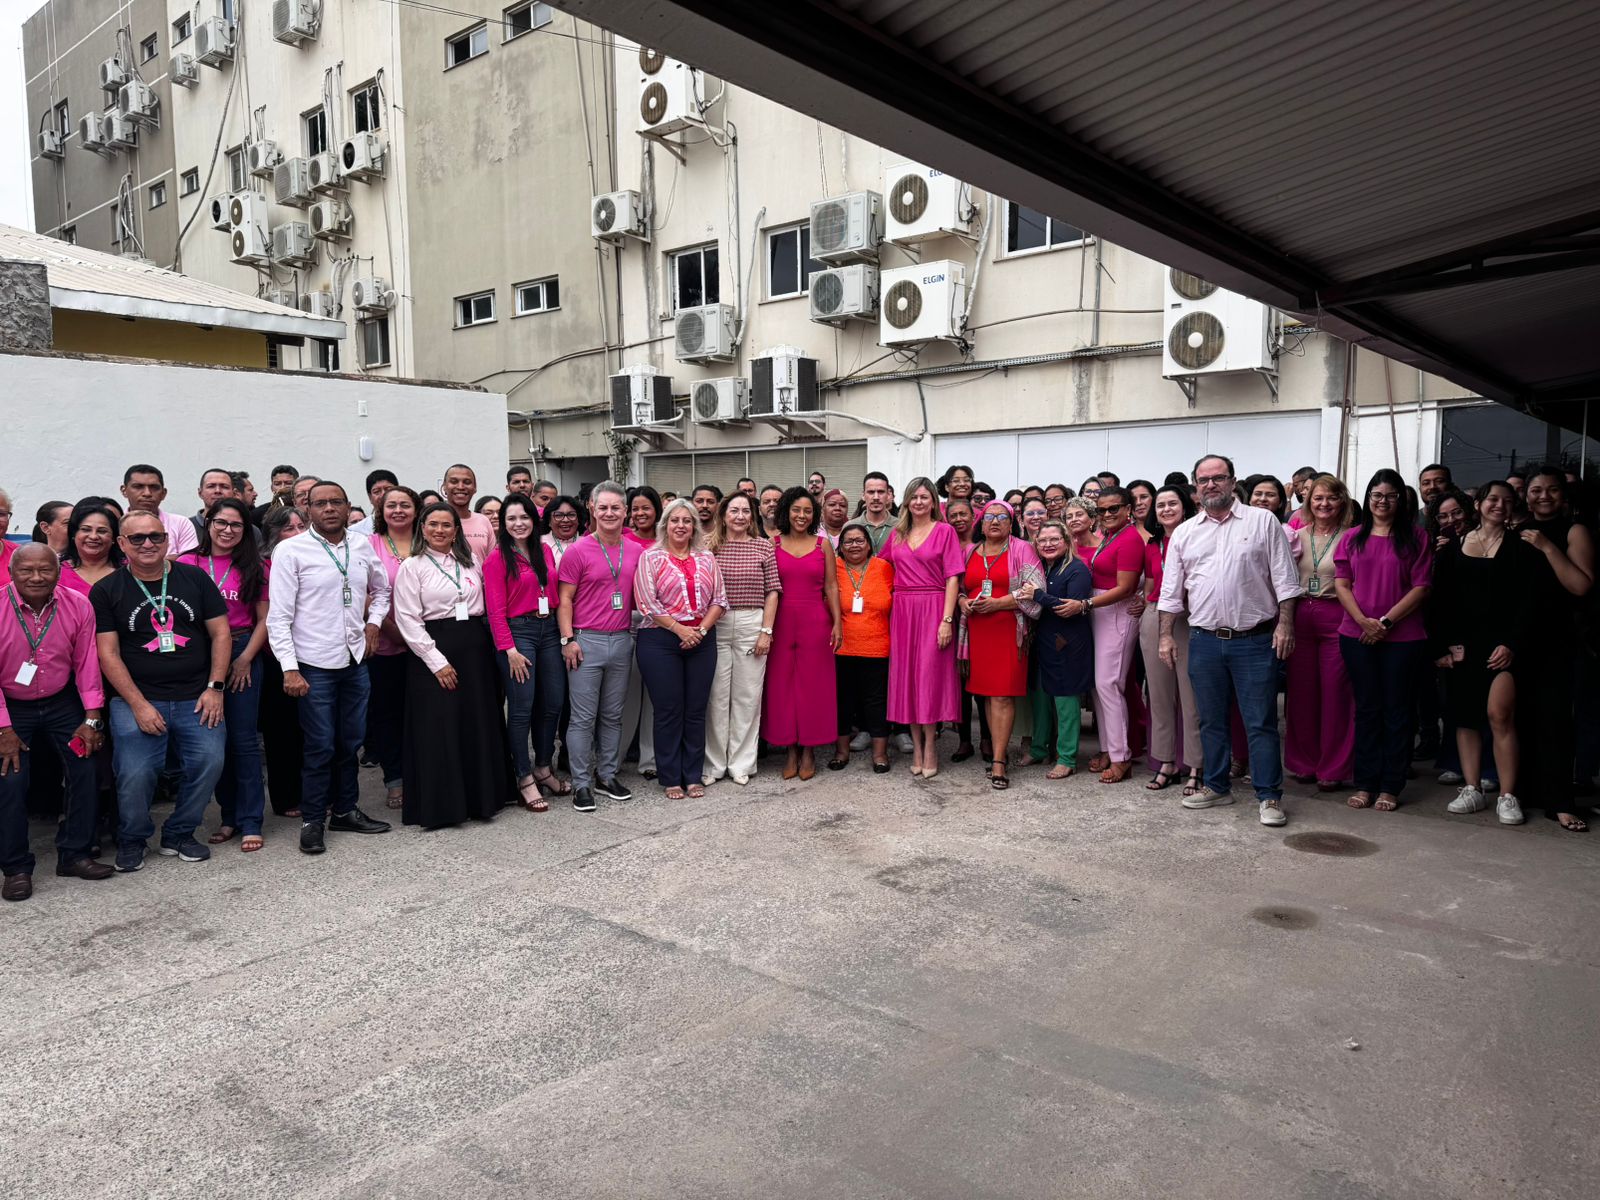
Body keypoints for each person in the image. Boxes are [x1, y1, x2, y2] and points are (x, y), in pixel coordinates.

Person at [1158, 455, 1301, 827]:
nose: (1211, 485)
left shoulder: (1263, 521)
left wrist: (1285, 626)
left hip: (1254, 640)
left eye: (1218, 478)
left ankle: (1269, 796)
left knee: (1260, 722)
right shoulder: (1186, 533)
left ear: (1232, 481)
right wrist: (1165, 637)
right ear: (1195, 488)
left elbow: (1286, 581)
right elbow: (1171, 593)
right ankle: (1218, 787)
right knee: (1211, 720)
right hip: (1204, 640)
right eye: (1203, 480)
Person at [91, 512, 230, 870]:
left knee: (209, 762)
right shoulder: (107, 590)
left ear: (168, 540)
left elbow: (221, 634)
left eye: (155, 536)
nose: (148, 544)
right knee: (135, 773)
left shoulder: (194, 578)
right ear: (121, 544)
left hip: (197, 695)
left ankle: (180, 833)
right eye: (137, 538)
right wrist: (138, 705)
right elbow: (107, 653)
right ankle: (133, 838)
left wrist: (215, 688)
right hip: (136, 699)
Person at [266, 482, 393, 855]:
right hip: (313, 663)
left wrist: (374, 623)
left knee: (349, 743)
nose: (329, 509)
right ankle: (312, 819)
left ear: (347, 505)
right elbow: (279, 617)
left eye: (336, 502)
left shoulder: (361, 545)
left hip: (354, 661)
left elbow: (382, 591)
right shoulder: (290, 550)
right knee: (320, 745)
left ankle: (346, 810)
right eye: (320, 503)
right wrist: (289, 669)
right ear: (307, 510)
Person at [393, 502, 516, 827]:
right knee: (441, 728)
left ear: (456, 530)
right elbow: (407, 620)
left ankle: (482, 799)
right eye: (433, 524)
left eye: (447, 525)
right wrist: (436, 662)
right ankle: (446, 807)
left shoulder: (470, 560)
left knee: (476, 722)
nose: (440, 531)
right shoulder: (413, 567)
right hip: (434, 652)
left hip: (475, 651)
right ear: (423, 527)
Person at [1, 546, 113, 899]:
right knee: (10, 781)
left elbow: (87, 663)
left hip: (62, 700)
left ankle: (74, 854)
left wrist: (92, 717)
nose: (36, 578)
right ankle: (16, 867)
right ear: (12, 572)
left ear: (59, 571)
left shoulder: (79, 605)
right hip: (9, 706)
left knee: (86, 765)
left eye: (45, 570)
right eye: (26, 571)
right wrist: (3, 728)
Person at [1333, 469, 1433, 813]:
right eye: (1377, 495)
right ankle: (1366, 782)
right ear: (1368, 498)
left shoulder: (1417, 538)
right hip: (1355, 633)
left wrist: (1386, 622)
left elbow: (1421, 587)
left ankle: (1391, 785)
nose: (1383, 501)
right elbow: (1342, 584)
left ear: (1401, 500)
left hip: (1403, 637)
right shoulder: (1352, 537)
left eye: (1390, 495)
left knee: (1397, 711)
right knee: (1366, 709)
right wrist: (1363, 621)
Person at [1431, 481, 1528, 825]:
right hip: (1462, 648)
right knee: (1464, 718)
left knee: (1499, 716)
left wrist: (1512, 644)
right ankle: (1472, 789)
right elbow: (1439, 602)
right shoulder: (1453, 548)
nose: (1499, 505)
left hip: (1503, 648)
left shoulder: (1521, 547)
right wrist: (1444, 647)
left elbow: (1529, 604)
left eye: (1506, 500)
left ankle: (1507, 794)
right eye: (1492, 499)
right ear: (1479, 504)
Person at [178, 498, 269, 851]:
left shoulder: (254, 567)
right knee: (214, 740)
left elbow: (265, 620)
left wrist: (245, 659)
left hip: (243, 653)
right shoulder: (187, 563)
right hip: (200, 659)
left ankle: (251, 820)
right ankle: (228, 815)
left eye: (236, 525)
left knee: (244, 742)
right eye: (221, 523)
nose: (227, 530)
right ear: (208, 522)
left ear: (246, 530)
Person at [557, 481, 644, 812]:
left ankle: (606, 775)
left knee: (613, 715)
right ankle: (581, 783)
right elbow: (564, 599)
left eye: (615, 507)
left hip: (623, 639)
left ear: (625, 512)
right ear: (592, 509)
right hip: (585, 641)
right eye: (602, 507)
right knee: (582, 718)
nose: (609, 513)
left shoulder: (636, 550)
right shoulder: (578, 550)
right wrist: (568, 640)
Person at [1516, 468, 1594, 831]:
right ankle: (1526, 794)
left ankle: (1561, 801)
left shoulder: (1574, 531)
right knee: (1521, 718)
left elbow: (1580, 585)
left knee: (1557, 722)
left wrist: (1547, 547)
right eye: (1536, 490)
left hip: (1558, 638)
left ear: (1564, 495)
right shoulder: (1516, 530)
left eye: (1551, 490)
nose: (1543, 496)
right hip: (1520, 637)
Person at [634, 498, 727, 799]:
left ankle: (692, 774)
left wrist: (699, 631)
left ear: (694, 527)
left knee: (696, 709)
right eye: (675, 520)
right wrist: (679, 629)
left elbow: (719, 600)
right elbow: (647, 603)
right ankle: (671, 776)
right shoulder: (651, 558)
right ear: (665, 525)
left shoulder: (706, 558)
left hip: (701, 637)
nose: (681, 526)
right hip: (660, 639)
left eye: (687, 521)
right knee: (668, 710)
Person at [485, 494, 567, 809]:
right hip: (518, 634)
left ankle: (543, 767)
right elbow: (495, 611)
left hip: (548, 631)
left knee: (554, 702)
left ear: (534, 520)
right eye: (511, 519)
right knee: (521, 708)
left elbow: (552, 591)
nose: (519, 524)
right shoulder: (497, 558)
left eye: (524, 517)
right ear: (503, 524)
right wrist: (509, 650)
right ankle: (523, 777)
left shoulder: (543, 550)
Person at [958, 501, 1043, 789]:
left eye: (1002, 517)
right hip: (977, 632)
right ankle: (998, 751)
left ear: (1011, 523)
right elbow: (957, 588)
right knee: (987, 697)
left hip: (1008, 630)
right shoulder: (970, 551)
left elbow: (1035, 589)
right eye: (989, 517)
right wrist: (962, 602)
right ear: (980, 523)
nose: (994, 522)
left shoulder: (1022, 549)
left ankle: (998, 761)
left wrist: (998, 603)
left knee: (1003, 696)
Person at [881, 478, 963, 777]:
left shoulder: (945, 531)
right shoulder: (898, 534)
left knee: (929, 678)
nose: (918, 502)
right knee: (908, 680)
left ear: (933, 502)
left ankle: (931, 745)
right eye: (913, 497)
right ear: (906, 502)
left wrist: (947, 619)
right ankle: (916, 745)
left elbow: (953, 577)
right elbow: (879, 568)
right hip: (903, 611)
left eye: (924, 497)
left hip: (933, 607)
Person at [762, 488, 841, 779]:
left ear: (814, 514)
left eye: (807, 511)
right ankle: (790, 750)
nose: (801, 516)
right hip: (781, 621)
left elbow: (832, 586)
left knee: (813, 688)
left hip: (815, 621)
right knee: (782, 687)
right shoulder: (773, 543)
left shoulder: (823, 545)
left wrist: (838, 623)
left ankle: (808, 750)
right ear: (786, 511)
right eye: (796, 510)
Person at [1284, 475, 1356, 792]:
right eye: (1317, 498)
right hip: (1300, 614)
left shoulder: (1352, 537)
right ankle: (1303, 763)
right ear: (1308, 502)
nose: (1324, 504)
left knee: (1336, 694)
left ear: (1342, 501)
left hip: (1336, 614)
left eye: (1331, 498)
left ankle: (1334, 768)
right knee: (1300, 693)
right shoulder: (1295, 536)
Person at [705, 492, 781, 786]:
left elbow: (773, 590)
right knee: (716, 696)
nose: (739, 516)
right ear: (723, 514)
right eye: (734, 510)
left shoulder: (764, 546)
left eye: (745, 511)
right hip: (717, 623)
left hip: (752, 621)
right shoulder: (709, 546)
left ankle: (741, 763)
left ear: (753, 516)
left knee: (748, 697)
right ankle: (713, 764)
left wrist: (766, 630)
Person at [1071, 487, 1145, 784]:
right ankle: (1107, 748)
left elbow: (1125, 587)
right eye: (1101, 510)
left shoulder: (1129, 539)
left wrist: (1086, 603)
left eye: (1114, 509)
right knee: (1100, 688)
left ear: (1129, 509)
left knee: (1108, 684)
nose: (1107, 515)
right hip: (1101, 611)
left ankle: (1121, 756)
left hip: (1116, 613)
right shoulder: (1111, 537)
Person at [1139, 486, 1203, 794]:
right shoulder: (1152, 544)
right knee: (1160, 696)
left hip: (1189, 616)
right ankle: (1166, 761)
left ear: (1184, 507)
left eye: (1172, 503)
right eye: (1160, 505)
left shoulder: (1197, 537)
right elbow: (1151, 584)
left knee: (1191, 697)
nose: (1166, 509)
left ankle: (1196, 765)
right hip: (1155, 615)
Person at [367, 486, 422, 809]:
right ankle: (395, 779)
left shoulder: (427, 541)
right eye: (392, 505)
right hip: (386, 644)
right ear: (381, 510)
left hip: (426, 645)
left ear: (416, 510)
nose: (398, 510)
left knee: (421, 713)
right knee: (387, 714)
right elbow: (365, 597)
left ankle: (421, 772)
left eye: (405, 505)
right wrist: (396, 633)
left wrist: (415, 638)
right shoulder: (369, 545)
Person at [1032, 520, 1094, 779]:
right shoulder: (1042, 569)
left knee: (1065, 700)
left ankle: (1067, 757)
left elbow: (1069, 608)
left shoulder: (1077, 570)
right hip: (1044, 640)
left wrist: (1038, 595)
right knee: (1041, 698)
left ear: (1067, 542)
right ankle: (1038, 750)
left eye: (1054, 539)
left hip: (1068, 642)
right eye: (1042, 540)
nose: (1048, 544)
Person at [830, 522, 894, 773]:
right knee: (843, 701)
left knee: (876, 702)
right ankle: (841, 752)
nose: (854, 545)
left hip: (877, 646)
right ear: (840, 547)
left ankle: (880, 755)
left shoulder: (884, 568)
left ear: (869, 544)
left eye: (859, 540)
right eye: (848, 542)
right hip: (842, 646)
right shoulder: (832, 568)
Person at [257, 506, 308, 819]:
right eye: (289, 528)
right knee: (282, 731)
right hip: (274, 655)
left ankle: (315, 790)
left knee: (311, 729)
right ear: (274, 534)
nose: (297, 533)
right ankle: (287, 796)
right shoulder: (264, 566)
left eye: (301, 525)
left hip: (312, 652)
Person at [119, 464, 199, 558]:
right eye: (138, 486)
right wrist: (171, 559)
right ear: (124, 491)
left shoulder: (181, 523)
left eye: (154, 487)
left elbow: (189, 561)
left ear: (163, 493)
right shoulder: (114, 524)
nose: (147, 493)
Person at [59, 503, 122, 596]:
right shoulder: (57, 572)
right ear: (73, 534)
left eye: (102, 531)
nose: (93, 536)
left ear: (113, 538)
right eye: (86, 529)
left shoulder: (131, 570)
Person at [442, 464, 494, 561]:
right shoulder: (435, 523)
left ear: (475, 488)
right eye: (454, 482)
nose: (461, 487)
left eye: (467, 482)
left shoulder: (483, 521)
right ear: (444, 486)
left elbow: (492, 563)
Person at [188, 469, 237, 541]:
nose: (218, 491)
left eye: (224, 487)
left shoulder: (247, 529)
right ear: (200, 493)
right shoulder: (186, 527)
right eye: (211, 486)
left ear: (234, 493)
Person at [349, 469, 399, 537]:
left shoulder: (411, 525)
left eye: (388, 489)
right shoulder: (355, 531)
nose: (383, 495)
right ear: (370, 497)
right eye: (377, 491)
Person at [543, 495, 586, 566]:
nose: (565, 520)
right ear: (549, 521)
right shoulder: (539, 544)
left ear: (579, 519)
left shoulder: (589, 544)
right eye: (558, 515)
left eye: (571, 515)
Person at [859, 473, 896, 553]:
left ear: (888, 495)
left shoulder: (902, 526)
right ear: (863, 495)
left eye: (881, 492)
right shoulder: (851, 526)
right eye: (871, 492)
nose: (876, 497)